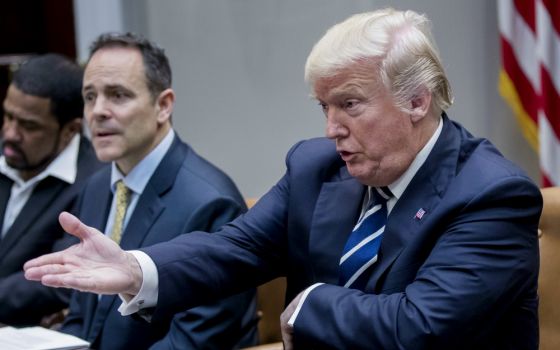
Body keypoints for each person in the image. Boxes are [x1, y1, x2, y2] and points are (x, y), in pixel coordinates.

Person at [25, 9, 541, 350]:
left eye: (350, 105)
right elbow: (235, 248)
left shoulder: (492, 195)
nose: (331, 128)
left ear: (416, 101)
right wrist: (137, 269)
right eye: (324, 106)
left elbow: (418, 327)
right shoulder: (317, 167)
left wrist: (310, 304)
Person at [55, 33, 258, 350]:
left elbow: (195, 341)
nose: (98, 111)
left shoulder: (211, 202)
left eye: (118, 95)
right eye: (90, 96)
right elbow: (82, 315)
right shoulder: (96, 187)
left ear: (163, 105)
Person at [0, 53, 104, 326]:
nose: (10, 133)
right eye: (8, 116)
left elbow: (57, 279)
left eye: (28, 126)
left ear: (70, 130)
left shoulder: (95, 183)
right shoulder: (7, 151)